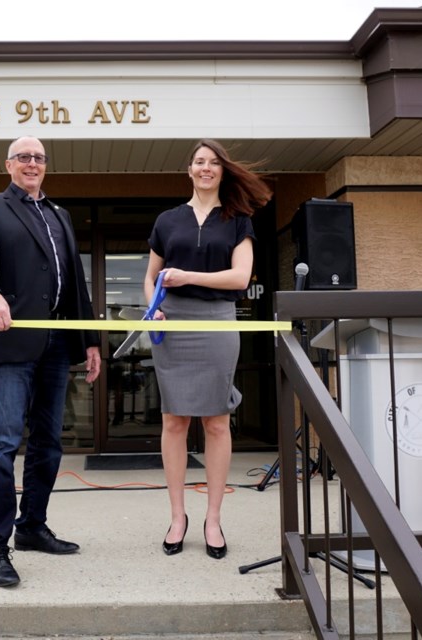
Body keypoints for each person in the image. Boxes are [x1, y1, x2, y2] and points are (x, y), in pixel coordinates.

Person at [0, 135, 102, 587]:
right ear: (8, 164)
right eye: (23, 157)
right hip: (14, 345)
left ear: (46, 166)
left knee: (48, 444)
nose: (32, 163)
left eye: (39, 158)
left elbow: (77, 285)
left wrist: (90, 342)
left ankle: (31, 527)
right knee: (3, 445)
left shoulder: (61, 215)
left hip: (59, 347)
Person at [143, 139, 272, 559]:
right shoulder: (167, 220)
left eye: (213, 163)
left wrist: (188, 276)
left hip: (217, 321)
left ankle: (213, 518)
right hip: (173, 323)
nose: (205, 168)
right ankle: (177, 516)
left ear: (222, 171)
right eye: (199, 161)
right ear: (189, 169)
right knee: (174, 422)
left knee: (216, 422)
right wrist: (153, 309)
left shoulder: (238, 220)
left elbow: (240, 278)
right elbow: (152, 277)